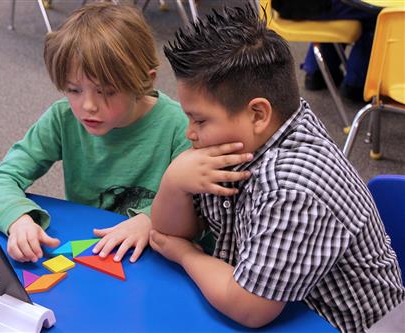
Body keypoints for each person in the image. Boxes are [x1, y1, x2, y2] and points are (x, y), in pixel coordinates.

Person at [150, 5, 404, 333]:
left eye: (199, 120)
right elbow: (170, 231)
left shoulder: (291, 185)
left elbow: (249, 307)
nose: (189, 132)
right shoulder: (239, 139)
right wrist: (174, 182)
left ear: (258, 114)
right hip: (280, 309)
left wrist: (186, 255)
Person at [0, 3, 190, 264]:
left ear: (145, 80)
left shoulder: (180, 127)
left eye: (106, 91)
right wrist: (17, 218)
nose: (88, 106)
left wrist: (150, 221)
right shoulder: (63, 118)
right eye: (74, 90)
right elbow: (2, 177)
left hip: (157, 257)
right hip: (91, 251)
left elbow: (201, 207)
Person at [271, 0, 378, 102]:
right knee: (376, 11)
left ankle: (320, 71)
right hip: (312, 6)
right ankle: (357, 82)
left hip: (287, 5)